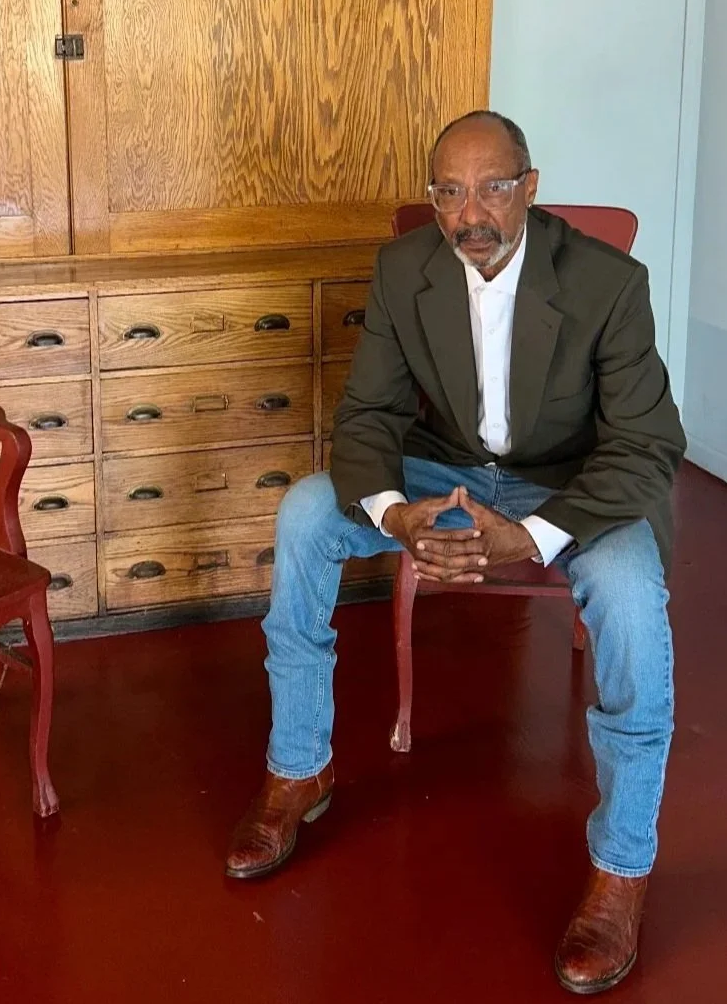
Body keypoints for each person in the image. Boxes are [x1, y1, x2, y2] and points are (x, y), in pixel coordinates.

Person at [224, 111, 685, 996]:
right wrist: (398, 516)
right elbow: (367, 418)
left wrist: (537, 533)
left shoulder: (608, 283)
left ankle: (623, 866)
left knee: (630, 594)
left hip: (570, 480)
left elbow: (647, 443)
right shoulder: (406, 268)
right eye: (448, 190)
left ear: (531, 186)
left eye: (492, 186)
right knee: (305, 514)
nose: (469, 212)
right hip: (444, 473)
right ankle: (298, 768)